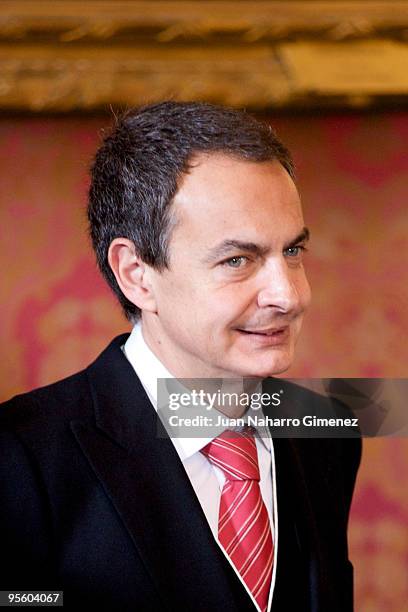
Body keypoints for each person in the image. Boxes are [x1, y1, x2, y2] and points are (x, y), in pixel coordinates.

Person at [0, 101, 361, 611]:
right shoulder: (21, 457)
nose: (289, 295)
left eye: (293, 252)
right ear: (136, 273)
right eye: (238, 260)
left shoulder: (326, 432)